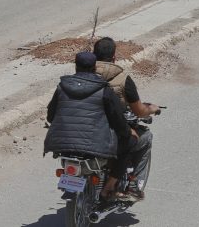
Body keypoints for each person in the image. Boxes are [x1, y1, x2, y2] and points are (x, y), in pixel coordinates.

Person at [44, 51, 134, 204]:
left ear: (75, 66)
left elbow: (50, 116)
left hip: (63, 147)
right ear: (94, 68)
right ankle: (108, 189)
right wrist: (127, 132)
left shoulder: (62, 87)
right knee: (130, 142)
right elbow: (118, 121)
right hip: (94, 148)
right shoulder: (104, 90)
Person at [94, 37, 161, 201]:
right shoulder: (123, 79)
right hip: (110, 133)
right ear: (114, 57)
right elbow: (139, 111)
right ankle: (132, 185)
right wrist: (152, 108)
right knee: (144, 138)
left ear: (93, 56)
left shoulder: (82, 76)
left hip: (84, 130)